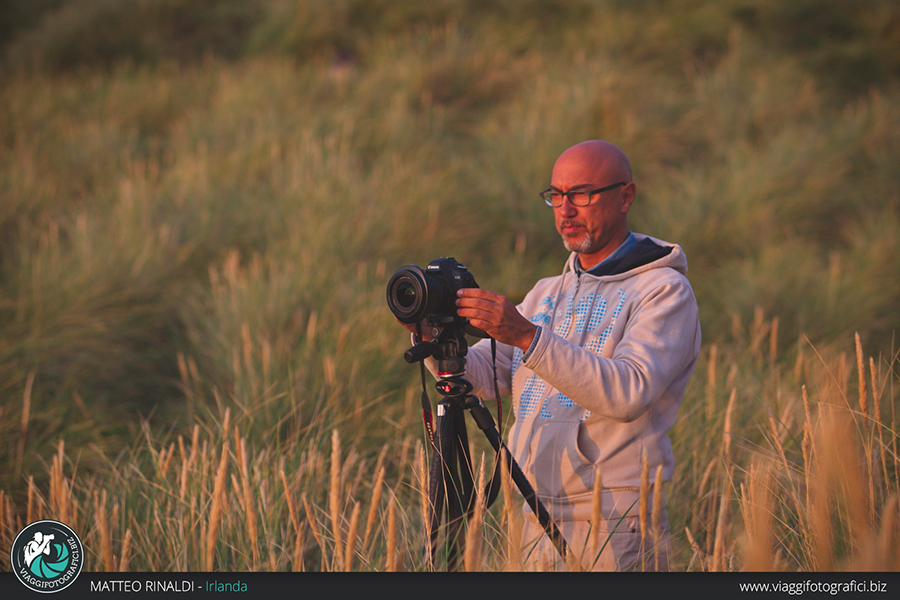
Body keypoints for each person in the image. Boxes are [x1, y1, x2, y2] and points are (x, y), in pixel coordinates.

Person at [401, 140, 701, 571]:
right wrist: (429, 335)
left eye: (581, 194)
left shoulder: (662, 291)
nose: (565, 210)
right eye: (556, 196)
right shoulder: (547, 291)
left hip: (615, 521)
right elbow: (486, 375)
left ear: (626, 196)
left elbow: (629, 391)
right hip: (532, 512)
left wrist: (526, 336)